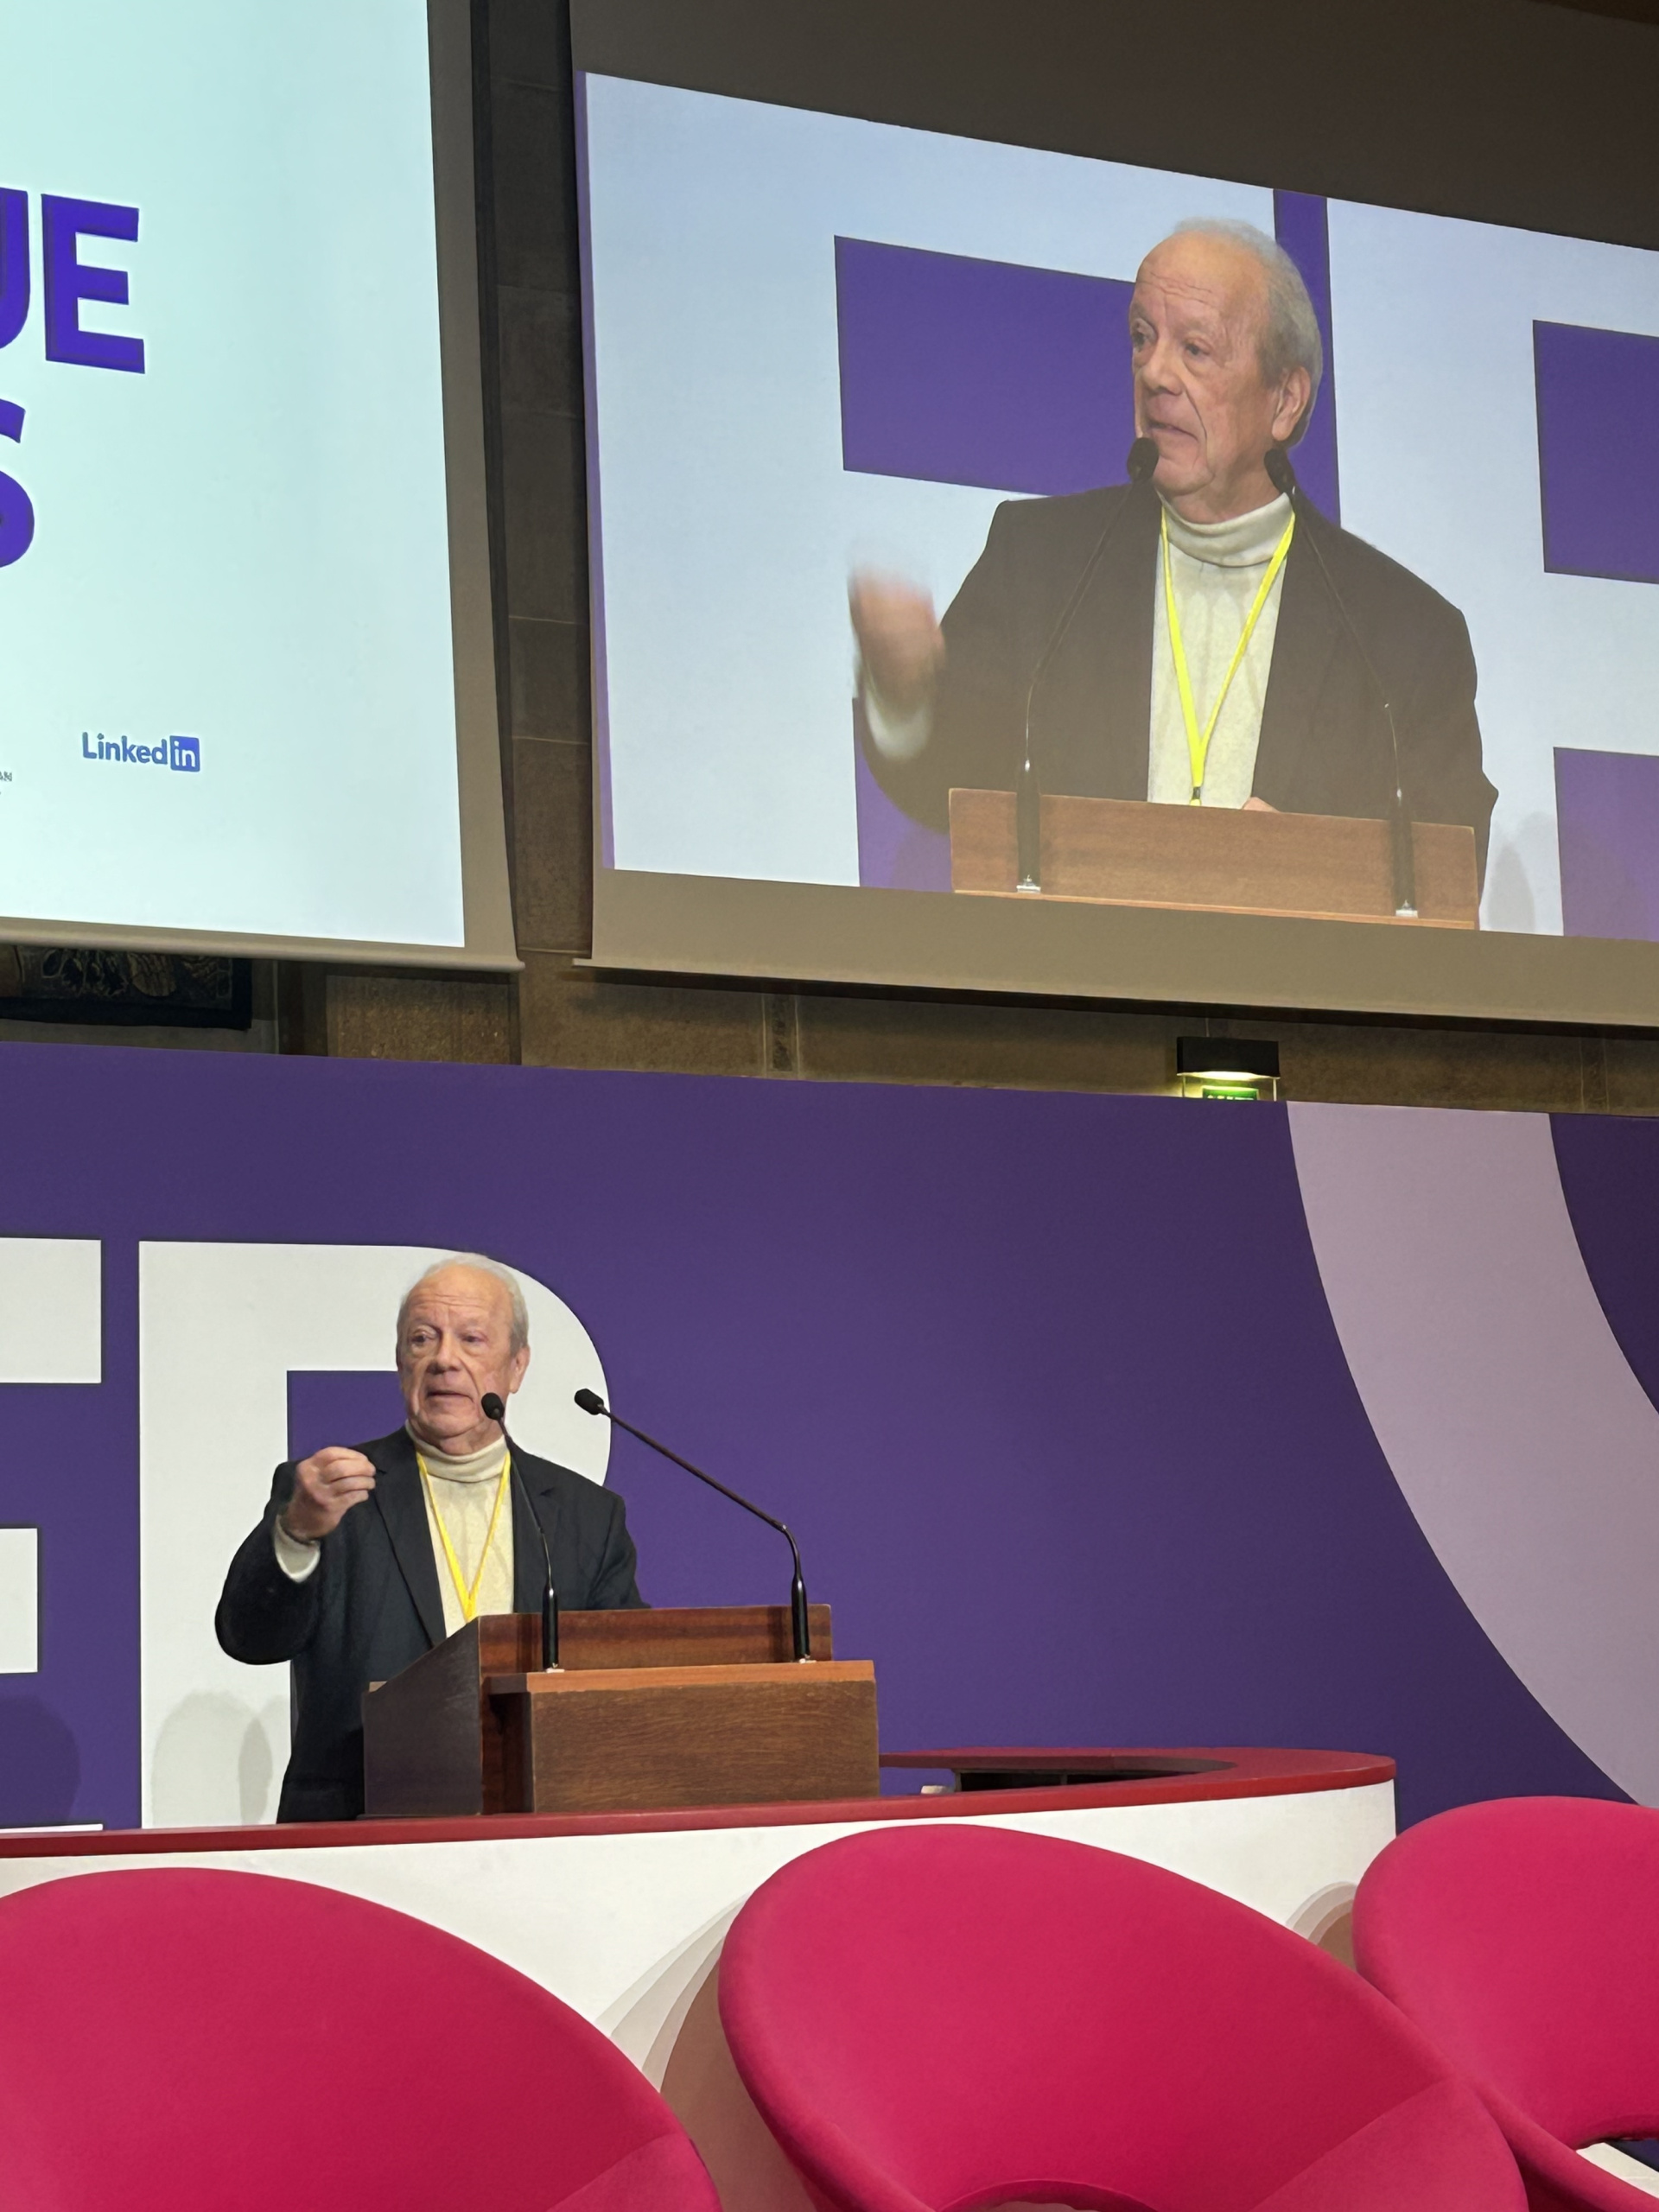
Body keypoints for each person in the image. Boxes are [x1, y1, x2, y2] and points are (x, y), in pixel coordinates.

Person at [852, 219, 1497, 876]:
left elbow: (1450, 863)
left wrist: (1322, 867)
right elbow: (946, 788)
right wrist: (904, 692)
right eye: (1142, 338)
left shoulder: (1402, 637)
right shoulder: (1041, 566)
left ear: (1284, 400)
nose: (1154, 372)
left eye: (1195, 349)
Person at [216, 1254, 644, 1822]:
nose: (445, 1360)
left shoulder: (584, 1516)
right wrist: (297, 1533)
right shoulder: (331, 1492)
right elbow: (250, 1637)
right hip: (361, 1829)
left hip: (537, 1837)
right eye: (423, 1339)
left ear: (516, 1368)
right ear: (400, 1363)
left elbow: (626, 1681)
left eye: (471, 1339)